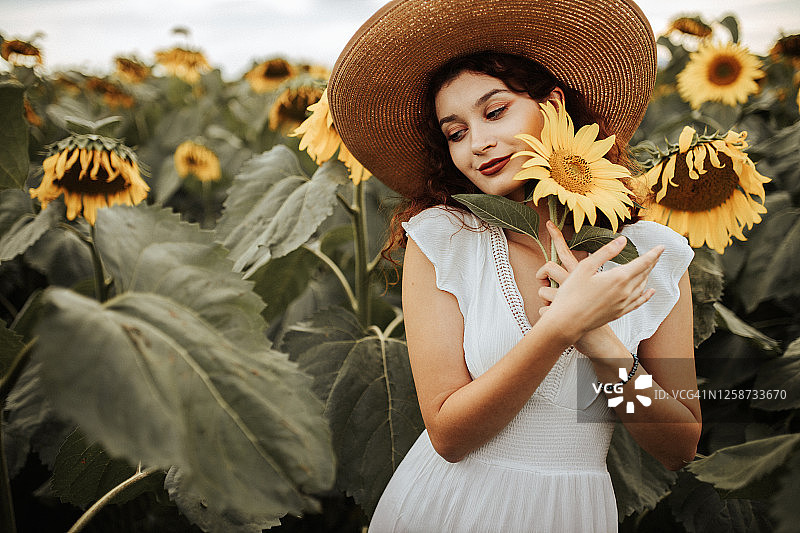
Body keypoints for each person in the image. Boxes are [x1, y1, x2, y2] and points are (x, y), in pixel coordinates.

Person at [324, 0, 702, 531]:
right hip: (450, 507)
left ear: (553, 105)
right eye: (455, 133)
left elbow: (679, 444)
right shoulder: (446, 240)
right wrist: (562, 326)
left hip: (572, 511)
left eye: (495, 111)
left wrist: (600, 343)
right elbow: (449, 435)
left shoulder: (651, 255)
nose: (477, 142)